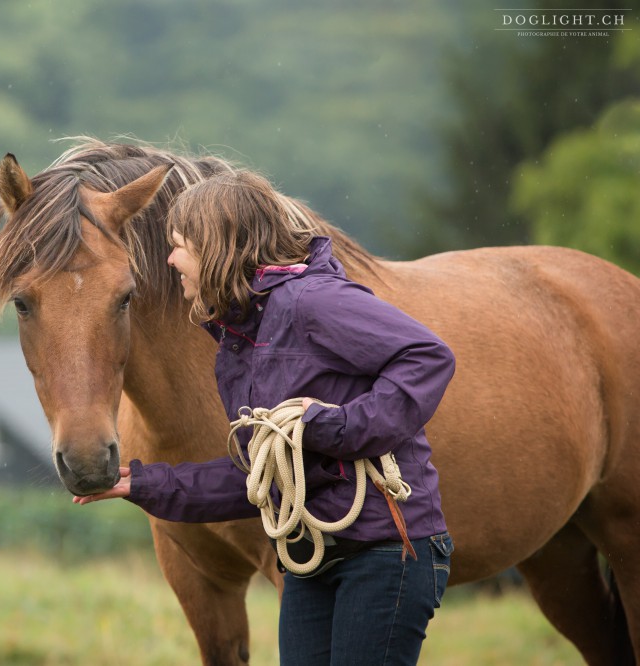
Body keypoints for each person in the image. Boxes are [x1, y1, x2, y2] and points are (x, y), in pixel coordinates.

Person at [73, 171, 456, 665]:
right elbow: (261, 476)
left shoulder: (315, 301)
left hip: (384, 551)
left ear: (216, 248)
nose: (169, 262)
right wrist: (142, 484)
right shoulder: (238, 343)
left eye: (179, 246)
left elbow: (428, 357)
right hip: (310, 556)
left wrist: (330, 426)